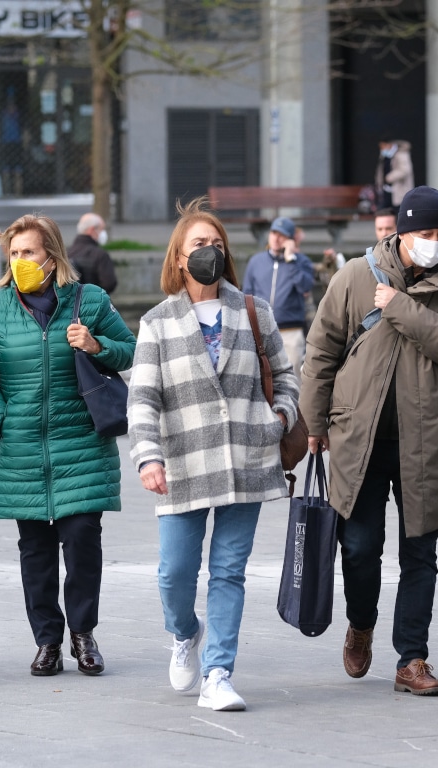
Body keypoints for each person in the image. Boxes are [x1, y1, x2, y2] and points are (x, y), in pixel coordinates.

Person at [300, 186, 438, 696]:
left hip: (428, 442)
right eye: (425, 233)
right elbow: (321, 351)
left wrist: (402, 308)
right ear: (401, 233)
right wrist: (314, 424)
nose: (434, 242)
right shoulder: (355, 277)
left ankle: (412, 658)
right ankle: (361, 624)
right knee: (360, 548)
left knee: (419, 552)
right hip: (360, 438)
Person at [128, 198, 298, 712]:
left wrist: (279, 418)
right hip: (182, 464)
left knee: (228, 571)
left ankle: (218, 673)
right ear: (179, 258)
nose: (209, 251)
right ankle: (185, 632)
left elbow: (285, 376)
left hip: (247, 459)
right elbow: (143, 397)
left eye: (216, 243)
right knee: (174, 573)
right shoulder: (158, 321)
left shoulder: (254, 311)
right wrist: (148, 456)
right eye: (198, 244)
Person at [0, 214, 136, 679]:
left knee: (82, 543)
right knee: (35, 552)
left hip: (81, 446)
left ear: (52, 256)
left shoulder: (90, 300)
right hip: (22, 450)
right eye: (14, 253)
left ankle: (83, 634)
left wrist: (97, 345)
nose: (20, 260)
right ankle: (47, 641)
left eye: (30, 252)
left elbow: (130, 349)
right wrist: (0, 418)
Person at [241, 216, 314, 374]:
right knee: (261, 376)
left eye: (282, 235)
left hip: (291, 331)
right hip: (261, 330)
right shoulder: (255, 261)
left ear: (290, 240)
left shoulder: (301, 262)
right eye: (274, 233)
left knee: (293, 377)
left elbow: (305, 287)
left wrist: (290, 260)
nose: (276, 238)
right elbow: (246, 295)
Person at [318, 208, 398, 287]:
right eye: (380, 229)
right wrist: (335, 261)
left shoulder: (402, 253)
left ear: (397, 228)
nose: (384, 233)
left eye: (388, 228)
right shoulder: (370, 255)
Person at [69, 212, 118, 294]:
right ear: (92, 230)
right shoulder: (100, 255)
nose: (103, 233)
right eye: (102, 229)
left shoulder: (67, 252)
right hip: (96, 299)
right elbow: (109, 284)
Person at [375, 139, 414, 213]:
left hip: (399, 191)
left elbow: (404, 170)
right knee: (383, 212)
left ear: (389, 144)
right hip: (386, 191)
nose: (382, 149)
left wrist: (389, 178)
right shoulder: (384, 156)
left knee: (399, 213)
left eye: (383, 146)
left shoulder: (401, 154)